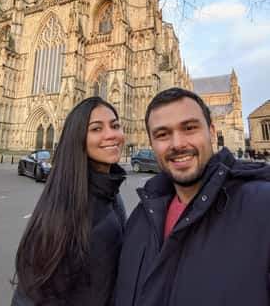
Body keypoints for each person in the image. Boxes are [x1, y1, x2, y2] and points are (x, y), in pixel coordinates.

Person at [115, 87, 270, 306]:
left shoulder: (262, 208)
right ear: (151, 143)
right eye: (162, 134)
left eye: (189, 128)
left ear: (213, 132)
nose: (177, 144)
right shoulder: (139, 220)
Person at [11, 97, 126, 306]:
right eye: (96, 128)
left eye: (115, 125)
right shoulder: (63, 211)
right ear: (78, 137)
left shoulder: (110, 192)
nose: (111, 134)